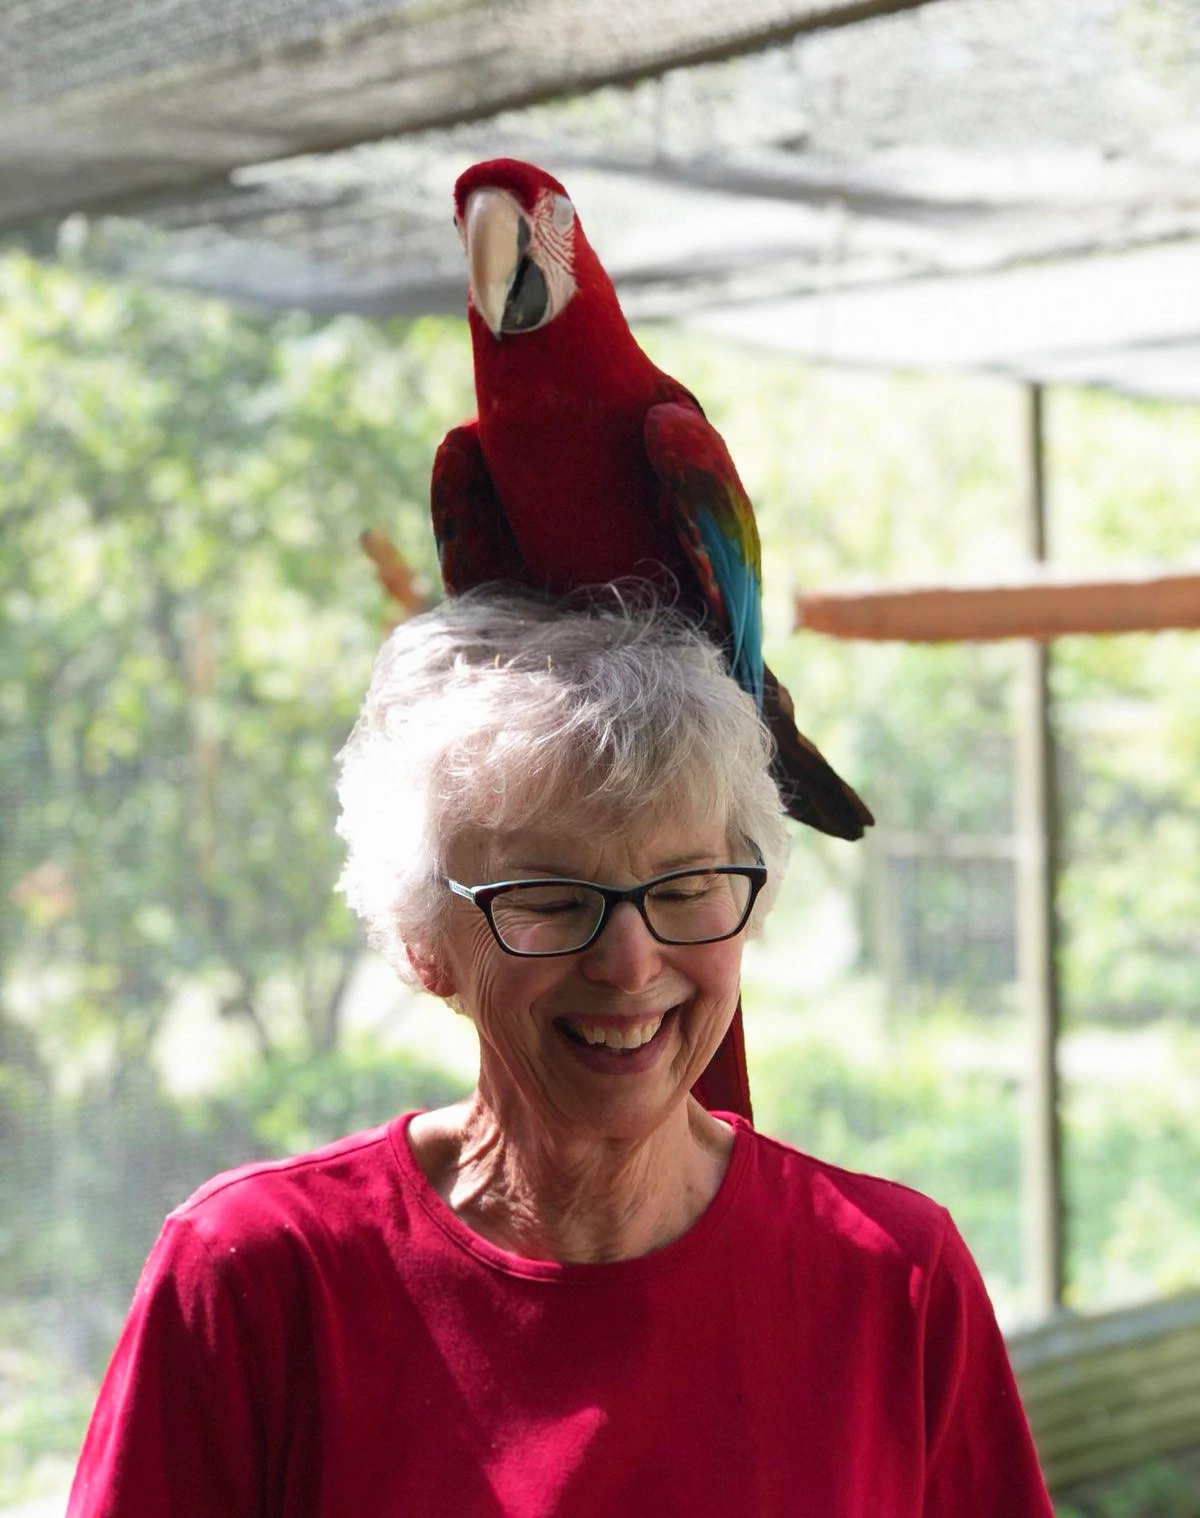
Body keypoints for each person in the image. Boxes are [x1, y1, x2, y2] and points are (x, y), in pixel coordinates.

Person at [68, 590, 1054, 1516]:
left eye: (684, 886)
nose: (629, 964)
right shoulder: (256, 1276)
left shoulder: (894, 1277)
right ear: (425, 945)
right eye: (547, 897)